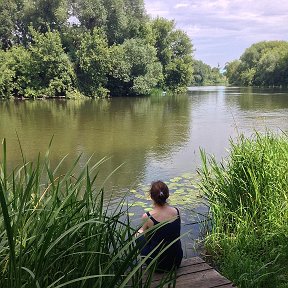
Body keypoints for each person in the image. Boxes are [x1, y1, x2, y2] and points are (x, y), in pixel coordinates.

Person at [136, 180, 183, 271]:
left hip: (157, 265)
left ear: (151, 197)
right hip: (176, 262)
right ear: (167, 195)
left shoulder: (147, 216)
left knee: (138, 234)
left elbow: (142, 233)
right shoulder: (177, 211)